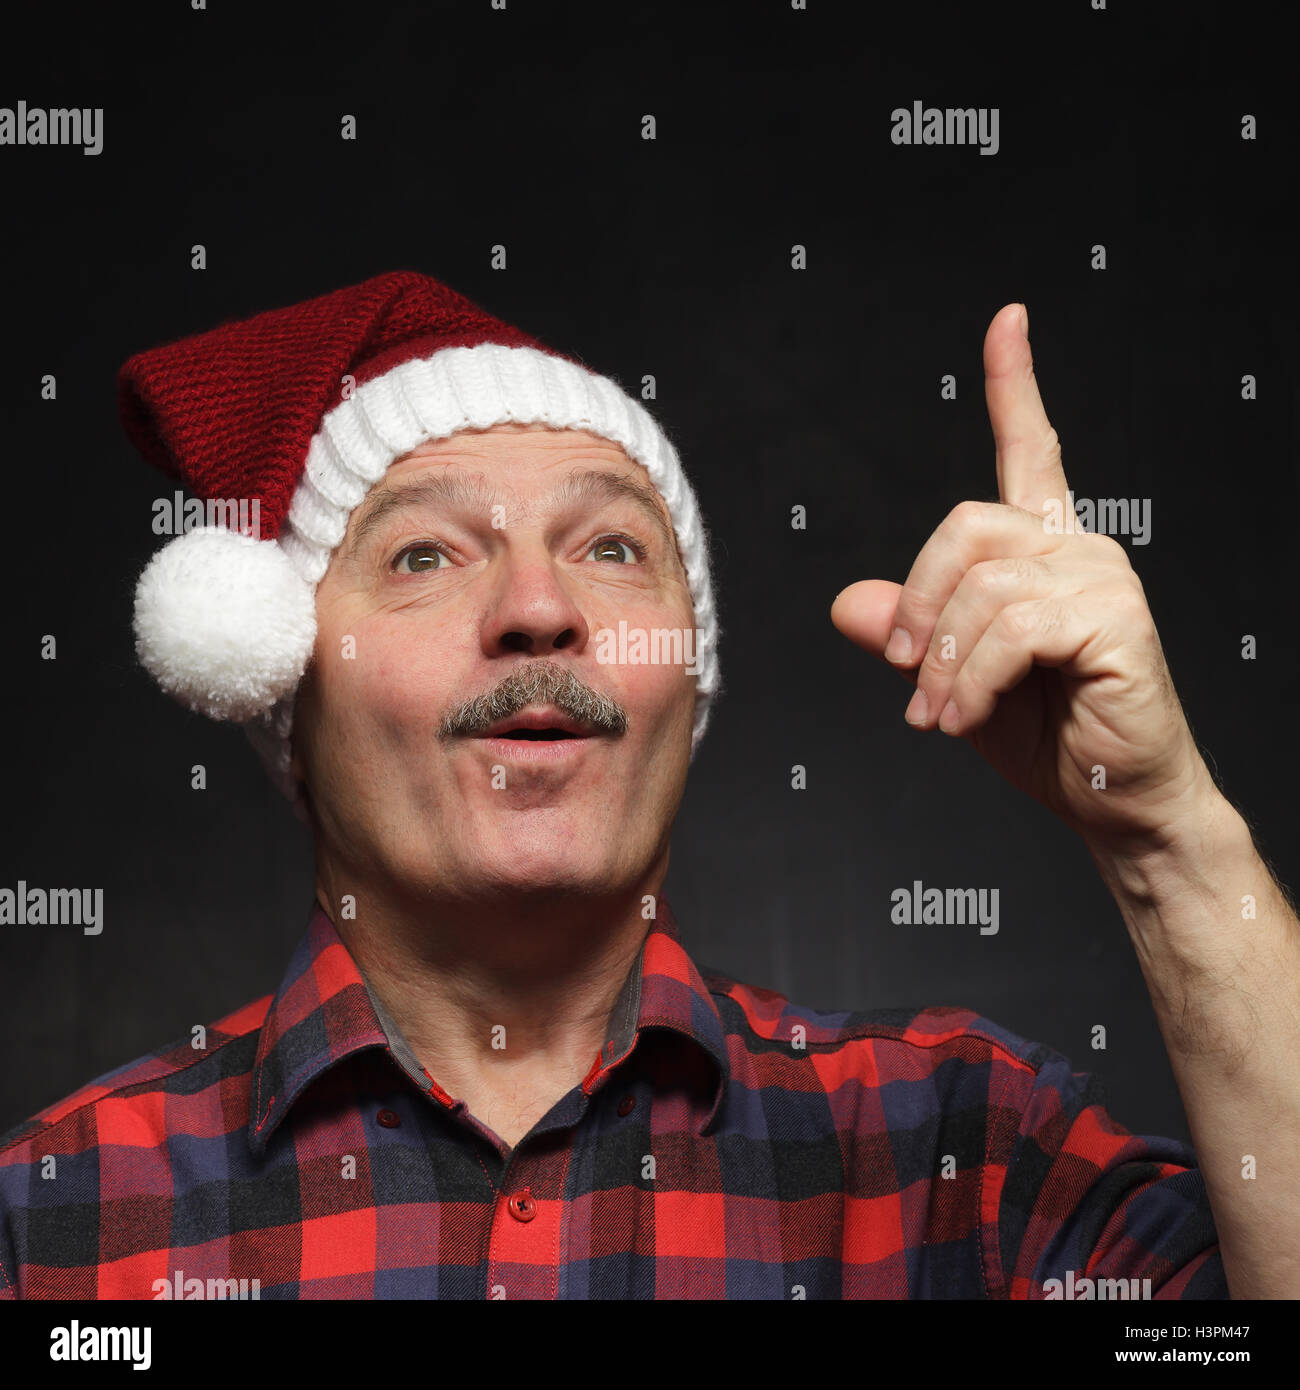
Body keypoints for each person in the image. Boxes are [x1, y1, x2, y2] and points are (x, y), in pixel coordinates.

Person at [0, 272, 1294, 1300]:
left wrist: (1168, 841)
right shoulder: (53, 1220)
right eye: (424, 554)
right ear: (278, 676)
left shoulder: (963, 1149)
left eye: (612, 544)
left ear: (689, 678)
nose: (540, 607)